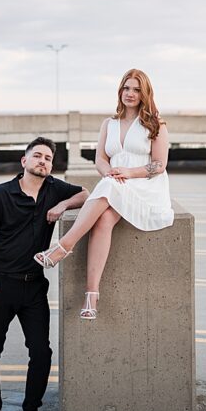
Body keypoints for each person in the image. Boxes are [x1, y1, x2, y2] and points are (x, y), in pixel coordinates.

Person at [33, 68, 173, 320]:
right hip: (116, 182)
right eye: (126, 88)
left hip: (144, 184)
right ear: (120, 91)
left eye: (136, 89)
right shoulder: (109, 124)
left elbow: (160, 165)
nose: (130, 94)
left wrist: (128, 173)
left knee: (108, 187)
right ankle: (91, 296)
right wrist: (110, 172)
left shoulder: (156, 124)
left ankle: (63, 247)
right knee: (105, 219)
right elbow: (100, 158)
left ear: (145, 93)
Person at [0, 137, 89, 411]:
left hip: (34, 288)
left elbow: (86, 194)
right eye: (37, 156)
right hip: (2, 286)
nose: (43, 161)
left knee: (41, 352)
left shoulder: (54, 189)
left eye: (48, 158)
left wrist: (63, 204)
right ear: (23, 161)